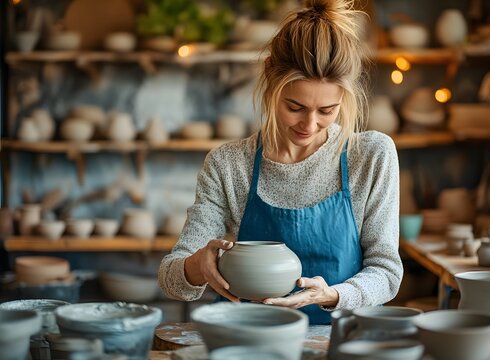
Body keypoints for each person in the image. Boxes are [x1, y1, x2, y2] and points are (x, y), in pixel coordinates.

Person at [159, 0, 403, 325]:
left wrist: (334, 294)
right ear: (271, 79)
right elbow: (170, 278)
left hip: (341, 340)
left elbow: (386, 272)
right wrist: (197, 266)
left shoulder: (371, 156)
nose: (310, 124)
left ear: (344, 99)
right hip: (248, 337)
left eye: (327, 111)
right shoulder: (229, 165)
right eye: (295, 106)